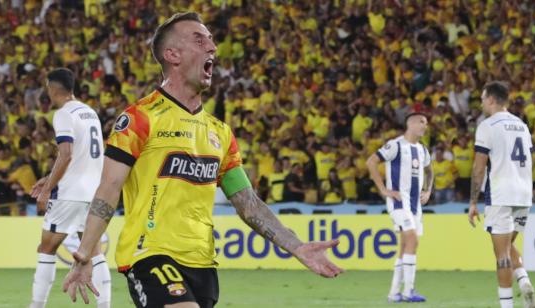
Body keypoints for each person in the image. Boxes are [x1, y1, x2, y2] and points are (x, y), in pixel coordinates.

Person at [62, 12, 343, 308]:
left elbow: (248, 203)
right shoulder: (139, 118)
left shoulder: (220, 133)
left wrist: (296, 246)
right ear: (172, 55)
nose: (212, 47)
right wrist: (86, 253)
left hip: (203, 264)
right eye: (199, 39)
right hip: (150, 255)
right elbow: (109, 187)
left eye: (211, 39)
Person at [29, 68, 111, 308]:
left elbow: (65, 154)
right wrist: (49, 177)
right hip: (93, 193)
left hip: (69, 196)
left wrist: (47, 191)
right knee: (94, 252)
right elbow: (83, 158)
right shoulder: (89, 112)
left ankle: (36, 305)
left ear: (52, 89)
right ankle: (105, 306)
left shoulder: (63, 114)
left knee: (47, 248)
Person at [468, 81, 535, 308]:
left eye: (482, 98)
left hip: (500, 194)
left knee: (501, 254)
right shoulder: (522, 125)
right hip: (524, 194)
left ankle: (507, 306)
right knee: (507, 244)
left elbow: (479, 167)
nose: (481, 102)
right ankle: (524, 279)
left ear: (491, 99)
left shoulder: (487, 126)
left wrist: (473, 201)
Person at [366, 112, 433, 303]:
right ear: (410, 124)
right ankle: (409, 291)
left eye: (426, 123)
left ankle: (394, 293)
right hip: (398, 203)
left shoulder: (422, 150)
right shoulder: (395, 145)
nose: (424, 126)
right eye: (421, 122)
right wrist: (383, 189)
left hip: (415, 206)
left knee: (404, 247)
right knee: (412, 240)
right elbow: (371, 161)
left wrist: (427, 191)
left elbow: (430, 170)